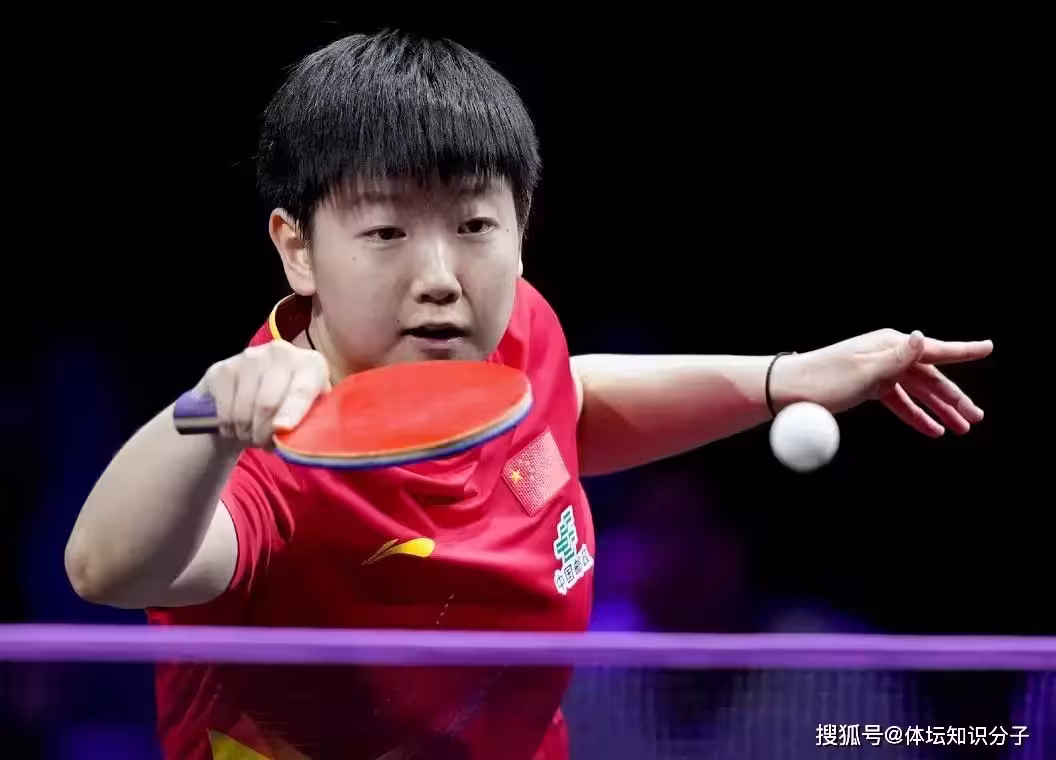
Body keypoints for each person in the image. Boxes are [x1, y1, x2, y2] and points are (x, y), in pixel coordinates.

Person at [63, 29, 994, 760]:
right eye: (385, 233)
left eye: (475, 224)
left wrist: (779, 378)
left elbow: (567, 407)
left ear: (522, 224)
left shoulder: (515, 331)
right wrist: (204, 420)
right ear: (297, 248)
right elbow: (110, 569)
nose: (441, 278)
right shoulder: (273, 452)